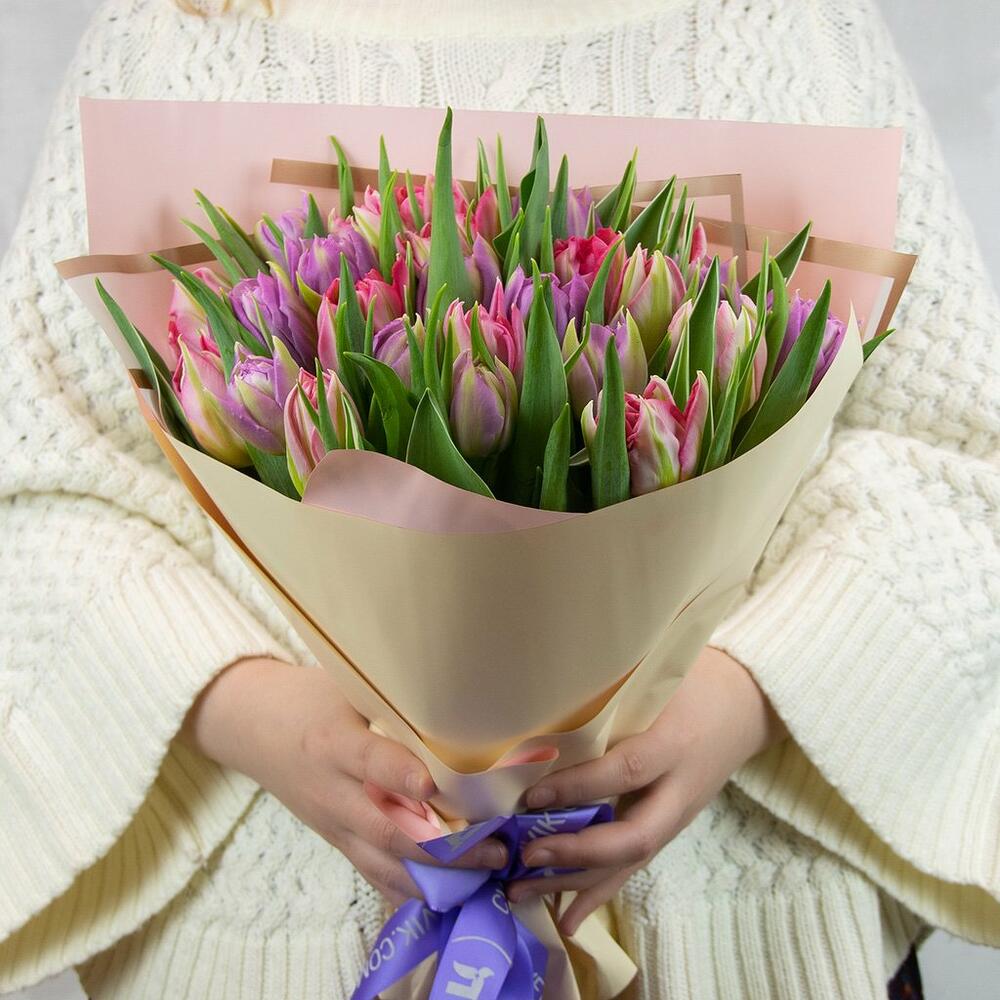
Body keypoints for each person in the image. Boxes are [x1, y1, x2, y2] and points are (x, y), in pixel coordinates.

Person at [1, 0, 997, 997]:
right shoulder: (172, 38)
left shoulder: (790, 29)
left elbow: (956, 460)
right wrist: (260, 717)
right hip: (275, 938)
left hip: (750, 928)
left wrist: (746, 694)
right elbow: (39, 493)